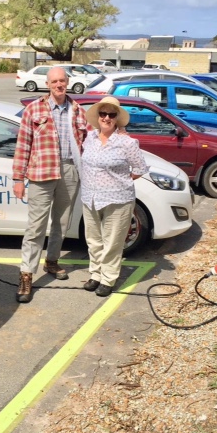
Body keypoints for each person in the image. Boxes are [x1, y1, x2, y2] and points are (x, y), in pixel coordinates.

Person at [12, 66, 93, 303]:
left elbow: (91, 142)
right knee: (35, 226)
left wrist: (119, 134)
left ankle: (52, 262)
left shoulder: (78, 111)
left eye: (62, 81)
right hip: (41, 173)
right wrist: (18, 178)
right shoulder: (34, 109)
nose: (59, 85)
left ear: (67, 82)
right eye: (54, 81)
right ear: (47, 84)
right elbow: (23, 145)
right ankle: (26, 274)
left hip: (69, 170)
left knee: (62, 222)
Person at [80, 96, 148, 297]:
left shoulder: (127, 142)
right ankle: (95, 274)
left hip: (117, 199)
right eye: (103, 113)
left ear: (117, 118)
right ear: (98, 116)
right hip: (90, 197)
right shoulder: (90, 138)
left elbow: (140, 168)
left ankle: (108, 278)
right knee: (93, 239)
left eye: (111, 114)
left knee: (112, 242)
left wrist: (119, 181)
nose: (107, 118)